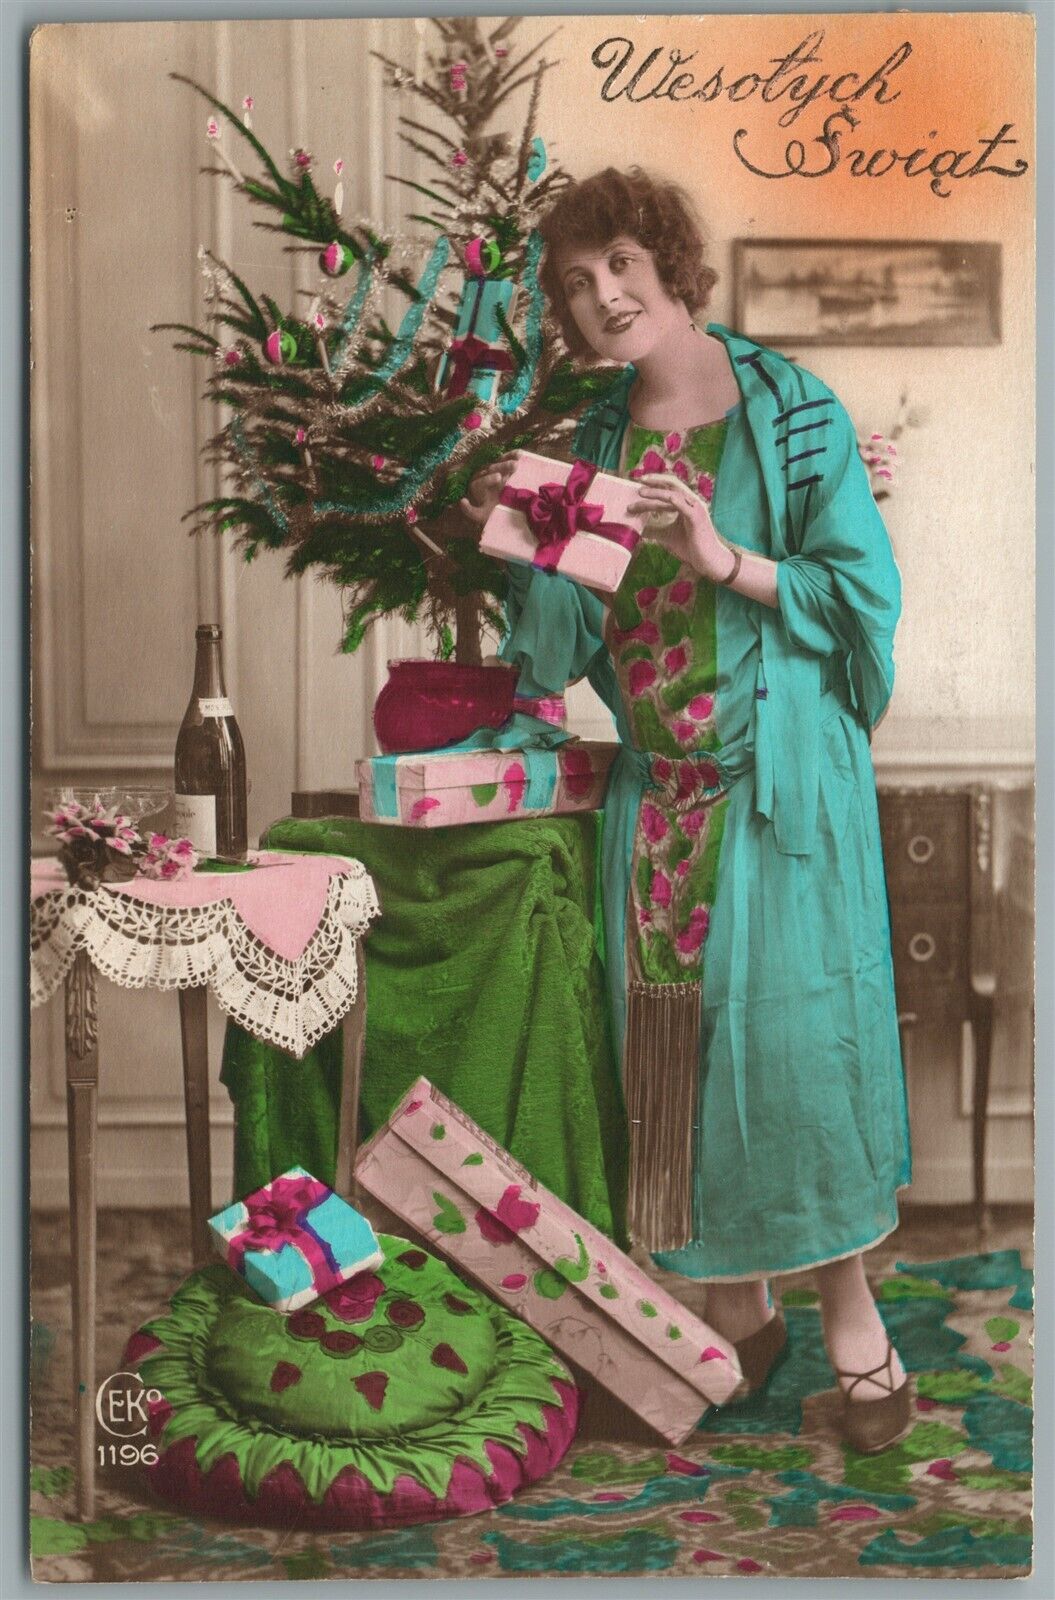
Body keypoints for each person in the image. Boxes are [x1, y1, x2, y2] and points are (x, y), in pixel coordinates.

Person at [462, 167, 913, 1454]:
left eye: (616, 262)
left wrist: (723, 559)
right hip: (657, 798)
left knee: (785, 1053)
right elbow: (550, 657)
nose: (600, 295)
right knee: (665, 1056)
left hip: (781, 794)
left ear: (663, 258)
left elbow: (858, 594)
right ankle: (736, 1313)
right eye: (571, 283)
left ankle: (860, 1347)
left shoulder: (793, 409)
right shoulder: (590, 439)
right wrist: (525, 535)